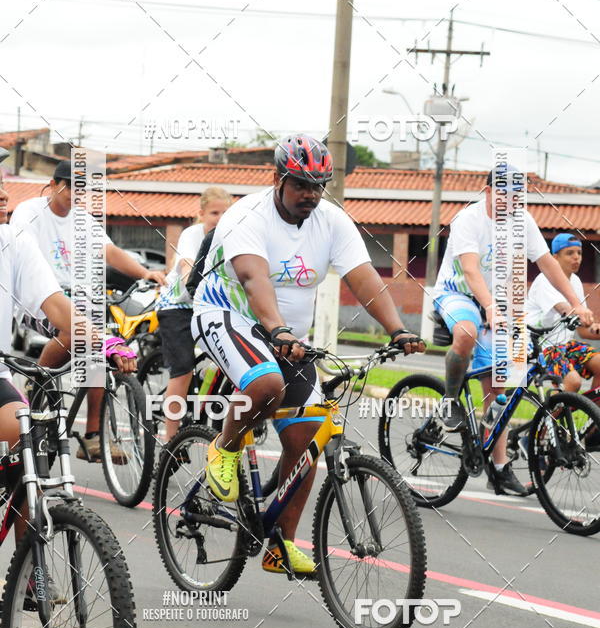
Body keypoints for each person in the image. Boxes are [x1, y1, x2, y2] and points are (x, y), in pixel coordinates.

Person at [192, 133, 424, 577]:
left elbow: (362, 277)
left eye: (319, 186)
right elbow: (253, 276)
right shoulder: (247, 216)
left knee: (307, 437)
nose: (311, 195)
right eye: (301, 184)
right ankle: (223, 446)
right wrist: (275, 328)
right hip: (228, 317)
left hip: (288, 336)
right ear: (278, 178)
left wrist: (397, 329)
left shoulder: (331, 221)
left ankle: (280, 545)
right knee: (266, 385)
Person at [0, 156, 136, 550]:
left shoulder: (13, 241)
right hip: (27, 331)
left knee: (32, 449)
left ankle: (29, 577)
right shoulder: (31, 215)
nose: (4, 193)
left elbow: (59, 310)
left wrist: (105, 341)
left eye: (2, 183)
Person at [433, 165, 593, 496]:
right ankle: (450, 400)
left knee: (501, 384)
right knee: (466, 332)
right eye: (505, 193)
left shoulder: (523, 222)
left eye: (518, 196)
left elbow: (548, 264)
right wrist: (489, 307)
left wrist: (576, 303)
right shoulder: (469, 220)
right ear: (489, 191)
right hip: (458, 294)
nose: (512, 201)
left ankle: (500, 466)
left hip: (499, 304)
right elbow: (471, 270)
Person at [9, 160, 166, 461]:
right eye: (68, 186)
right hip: (39, 297)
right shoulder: (29, 212)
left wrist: (144, 273)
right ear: (53, 184)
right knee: (74, 331)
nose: (74, 194)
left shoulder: (82, 219)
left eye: (81, 188)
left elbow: (110, 252)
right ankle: (39, 381)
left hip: (78, 298)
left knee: (97, 346)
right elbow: (23, 256)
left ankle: (93, 437)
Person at [156, 187, 233, 441]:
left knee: (232, 361)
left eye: (226, 212)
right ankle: (170, 438)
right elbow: (186, 262)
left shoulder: (233, 238)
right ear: (201, 214)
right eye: (214, 212)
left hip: (211, 306)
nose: (220, 218)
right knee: (183, 369)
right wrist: (192, 281)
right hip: (177, 306)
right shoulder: (192, 234)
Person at [527, 233, 600, 391]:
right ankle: (551, 415)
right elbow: (565, 310)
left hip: (565, 346)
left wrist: (594, 328)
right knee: (573, 382)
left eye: (579, 253)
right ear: (555, 257)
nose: (577, 258)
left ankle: (592, 415)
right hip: (541, 347)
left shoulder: (575, 281)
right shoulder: (544, 281)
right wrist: (581, 315)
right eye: (569, 253)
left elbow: (583, 330)